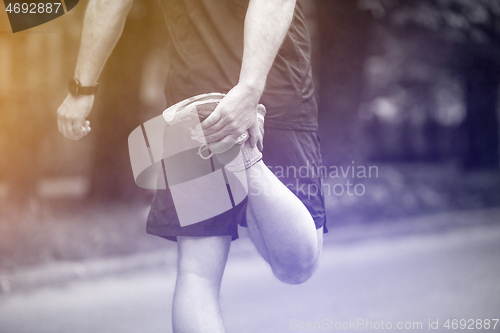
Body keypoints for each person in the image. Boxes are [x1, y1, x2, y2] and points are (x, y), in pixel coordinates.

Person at [57, 0, 327, 331]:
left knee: (197, 273)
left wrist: (82, 89)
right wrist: (249, 89)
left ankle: (237, 151)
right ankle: (245, 155)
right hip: (275, 87)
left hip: (198, 103)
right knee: (297, 266)